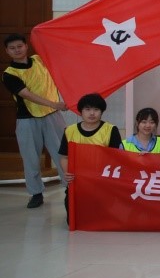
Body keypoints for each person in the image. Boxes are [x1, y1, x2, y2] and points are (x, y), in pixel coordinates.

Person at [4, 33, 69, 207]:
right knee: (31, 158)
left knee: (63, 154)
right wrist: (55, 104)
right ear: (7, 51)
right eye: (12, 48)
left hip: (53, 117)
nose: (17, 50)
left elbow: (60, 56)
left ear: (26, 46)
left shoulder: (40, 60)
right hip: (27, 120)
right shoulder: (9, 74)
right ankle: (36, 193)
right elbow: (27, 95)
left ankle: (70, 189)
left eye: (19, 46)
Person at [58, 92, 122, 214]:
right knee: (74, 217)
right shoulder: (70, 130)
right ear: (80, 111)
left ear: (101, 112)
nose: (92, 113)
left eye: (96, 109)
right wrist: (67, 173)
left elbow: (117, 158)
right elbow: (65, 157)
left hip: (103, 182)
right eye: (87, 109)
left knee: (101, 216)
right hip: (78, 181)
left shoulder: (111, 130)